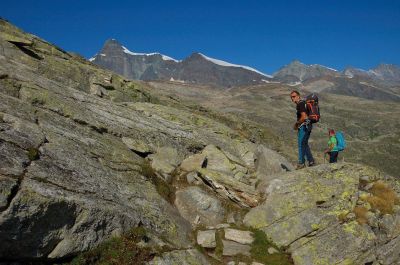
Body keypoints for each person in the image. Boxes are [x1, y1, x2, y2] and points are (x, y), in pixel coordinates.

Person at [290, 90, 315, 169]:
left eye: (294, 96)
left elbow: (304, 116)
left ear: (298, 96)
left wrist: (297, 124)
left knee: (301, 144)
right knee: (305, 144)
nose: (292, 98)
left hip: (304, 126)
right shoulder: (304, 103)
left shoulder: (300, 104)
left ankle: (301, 163)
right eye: (291, 97)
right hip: (308, 126)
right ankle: (311, 161)